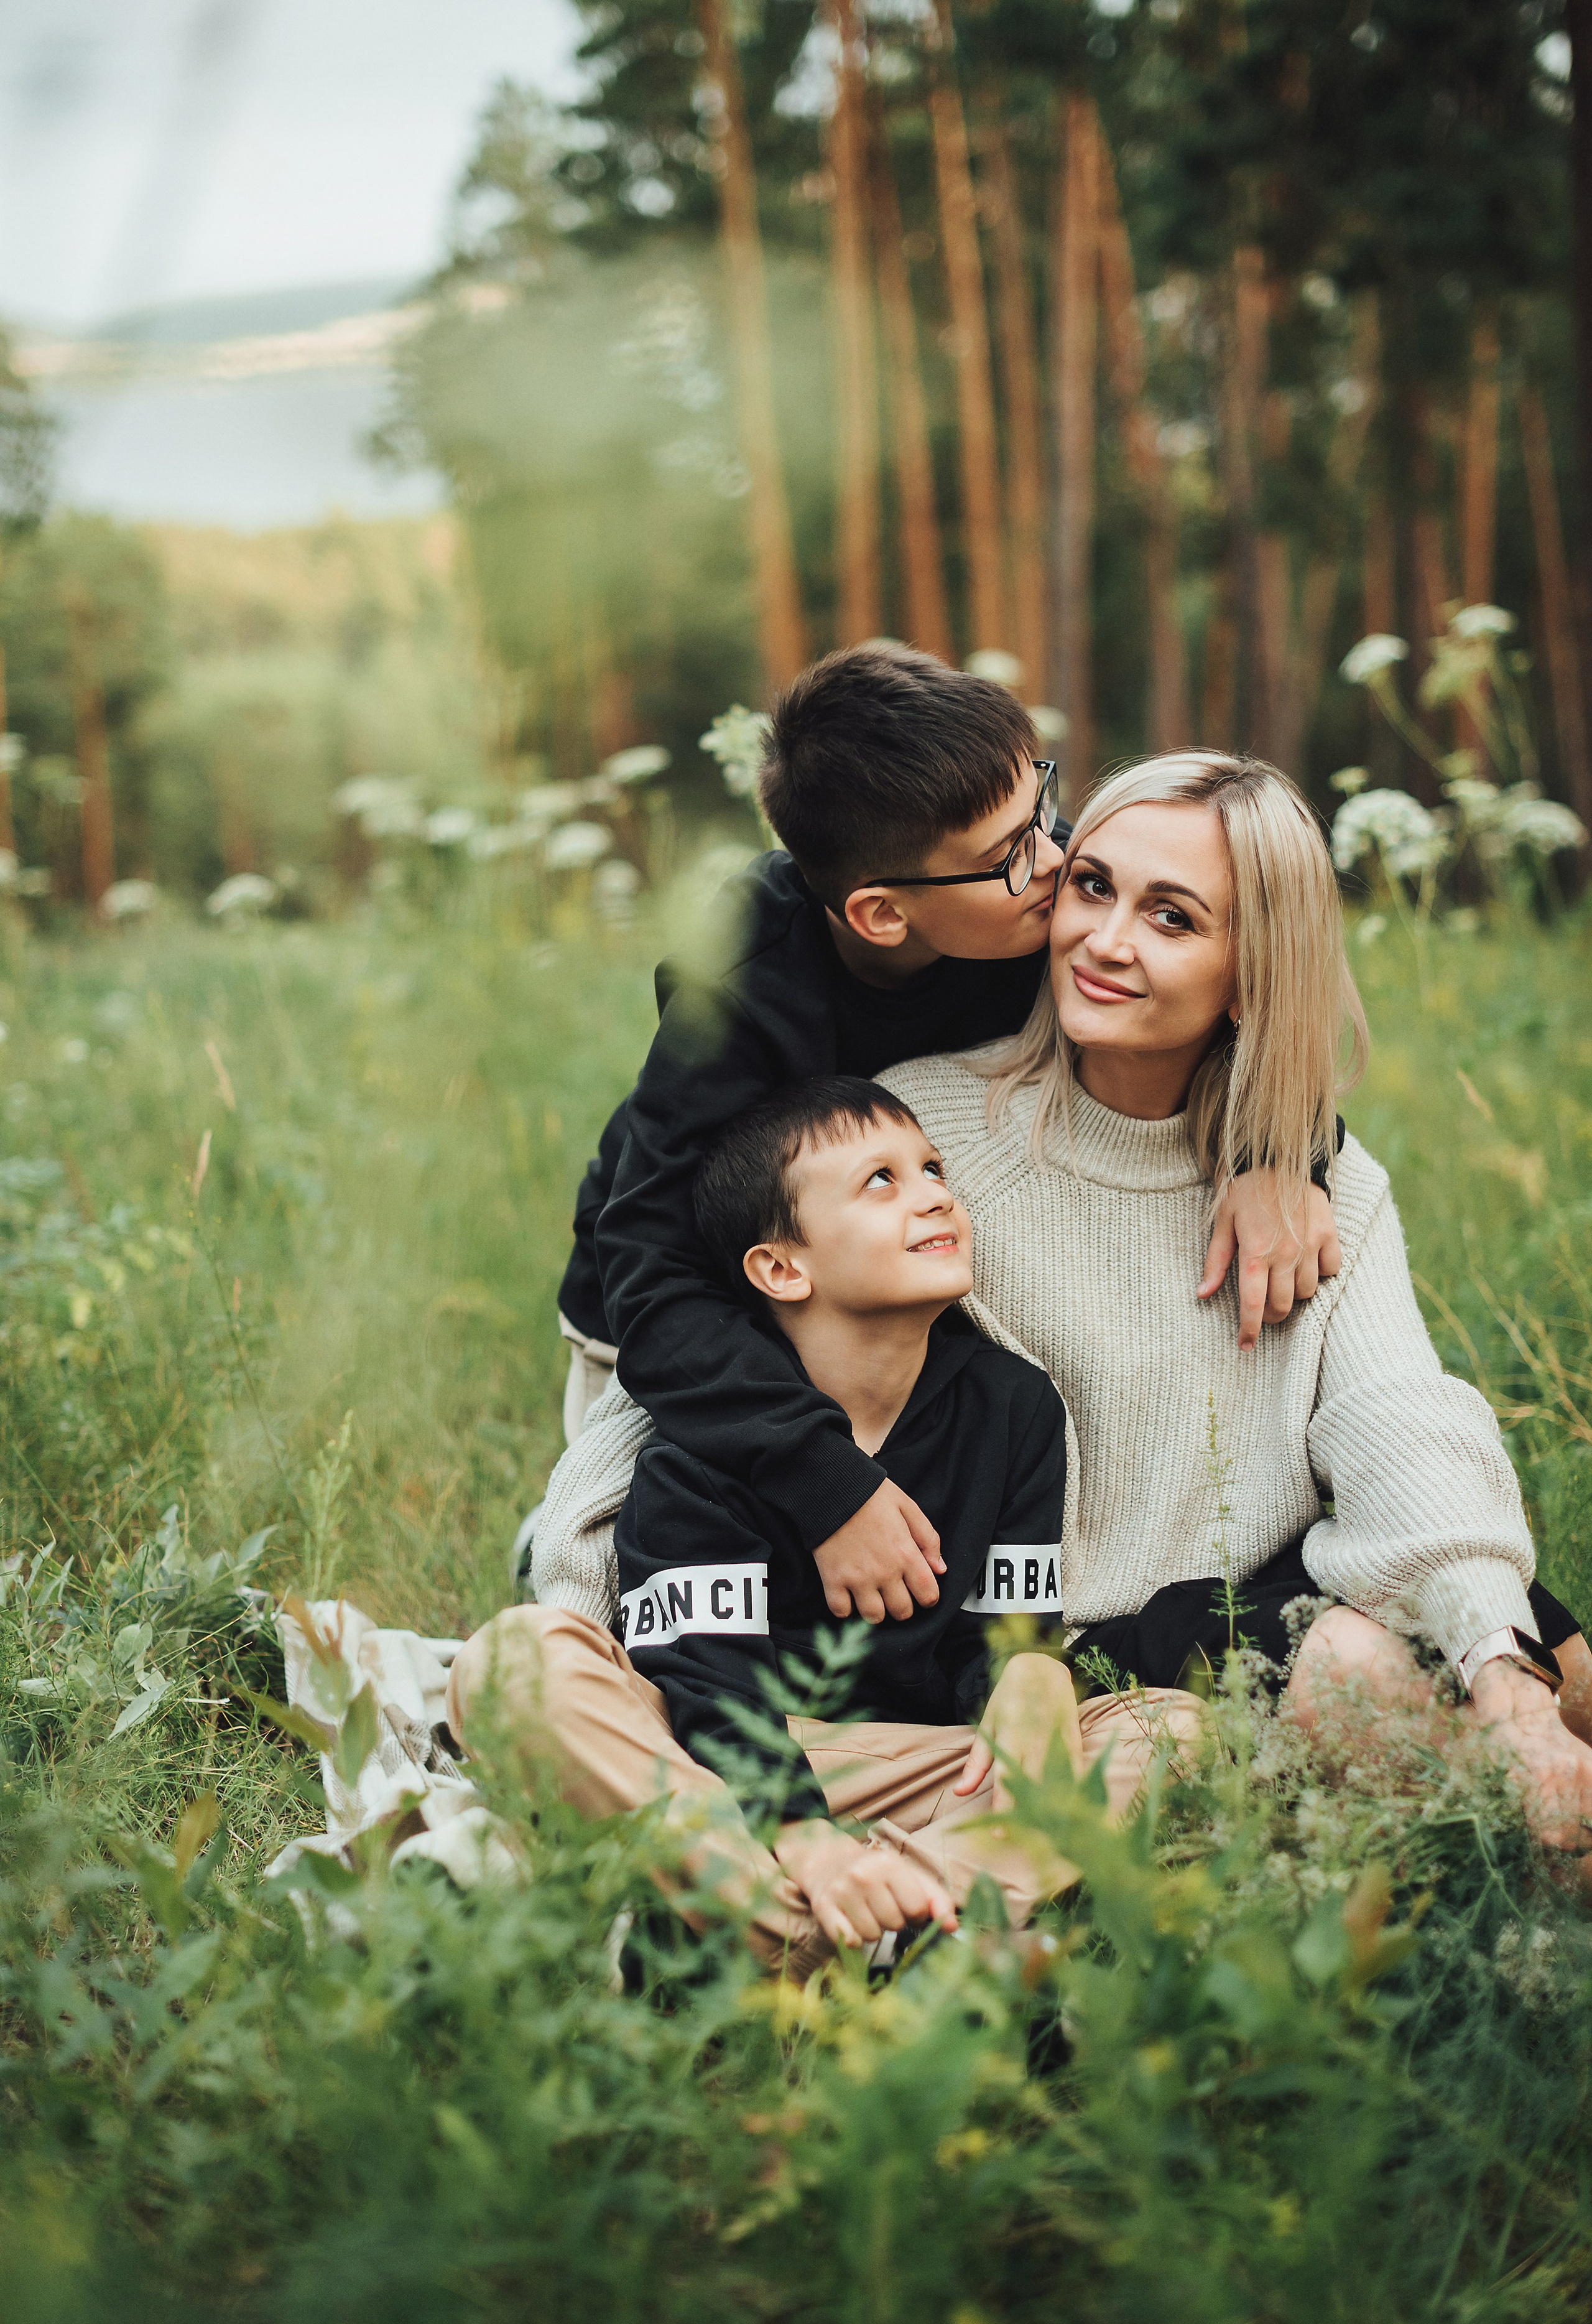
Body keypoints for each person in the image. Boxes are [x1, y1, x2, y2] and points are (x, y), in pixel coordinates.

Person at [527, 748, 1592, 1885]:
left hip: (1223, 1617)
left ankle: (1513, 1856)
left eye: (1171, 918)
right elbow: (701, 1360)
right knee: (1360, 1674)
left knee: (1547, 1657)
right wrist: (590, 1624)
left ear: (1253, 976)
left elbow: (1397, 1417)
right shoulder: (927, 1139)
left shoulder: (1314, 1192)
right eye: (1091, 887)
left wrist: (1500, 1666)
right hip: (1028, 1653)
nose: (1102, 940)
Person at [532, 646, 1340, 1637]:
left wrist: (1278, 1155)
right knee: (680, 1551)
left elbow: (1219, 996)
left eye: (1043, 809)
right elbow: (655, 1279)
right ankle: (558, 1557)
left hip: (884, 1253)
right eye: (1014, 853)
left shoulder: (1035, 885)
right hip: (685, 1278)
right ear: (881, 913)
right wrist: (825, 1483)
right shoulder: (741, 993)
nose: (1057, 865)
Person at [450, 1079, 1200, 1976]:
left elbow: (996, 1635)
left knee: (1169, 1729)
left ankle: (916, 1915)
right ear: (781, 1267)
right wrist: (804, 1836)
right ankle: (823, 1936)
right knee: (509, 1666)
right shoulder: (715, 1440)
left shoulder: (1013, 1406)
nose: (931, 1193)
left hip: (917, 1772)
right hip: (718, 1763)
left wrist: (1029, 1673)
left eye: (932, 1168)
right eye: (879, 1181)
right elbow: (705, 1677)